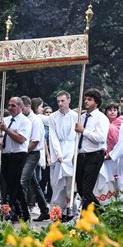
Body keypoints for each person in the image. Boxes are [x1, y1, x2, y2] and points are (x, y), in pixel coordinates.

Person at [0, 97, 32, 222]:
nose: (10, 108)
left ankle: (7, 209)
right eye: (9, 105)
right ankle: (23, 213)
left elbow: (21, 139)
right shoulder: (5, 120)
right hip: (6, 154)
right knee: (14, 185)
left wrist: (7, 130)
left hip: (18, 155)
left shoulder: (25, 121)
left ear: (20, 107)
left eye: (13, 105)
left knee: (12, 185)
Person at [75, 88, 109, 211]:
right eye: (85, 99)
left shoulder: (101, 118)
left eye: (89, 99)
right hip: (81, 155)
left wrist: (84, 131)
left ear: (97, 102)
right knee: (80, 189)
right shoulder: (82, 117)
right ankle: (101, 213)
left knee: (87, 189)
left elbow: (100, 138)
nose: (86, 101)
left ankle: (84, 221)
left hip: (94, 155)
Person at [48, 91, 78, 219]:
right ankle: (57, 212)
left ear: (69, 100)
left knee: (71, 185)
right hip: (59, 151)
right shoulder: (53, 117)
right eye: (58, 101)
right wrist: (58, 154)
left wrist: (74, 153)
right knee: (57, 185)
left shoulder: (75, 116)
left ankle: (71, 210)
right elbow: (53, 136)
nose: (60, 104)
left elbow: (77, 137)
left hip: (71, 151)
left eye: (63, 101)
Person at [20, 96, 50, 221]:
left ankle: (22, 211)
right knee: (34, 183)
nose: (20, 111)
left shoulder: (36, 120)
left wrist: (23, 152)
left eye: (22, 108)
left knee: (23, 181)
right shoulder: (23, 119)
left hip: (32, 154)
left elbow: (35, 141)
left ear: (27, 106)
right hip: (24, 153)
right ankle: (44, 210)